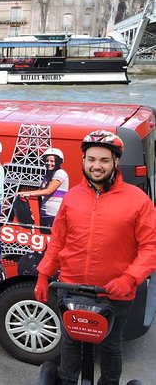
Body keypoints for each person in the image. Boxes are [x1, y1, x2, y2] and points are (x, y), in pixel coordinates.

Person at [34, 130, 156, 385]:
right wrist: (44, 275)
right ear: (83, 161)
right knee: (71, 341)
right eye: (91, 159)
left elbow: (150, 246)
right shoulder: (72, 197)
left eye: (103, 160)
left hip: (114, 291)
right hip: (70, 287)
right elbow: (57, 241)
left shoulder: (138, 201)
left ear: (115, 163)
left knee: (111, 345)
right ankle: (68, 381)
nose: (96, 166)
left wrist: (130, 278)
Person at [18, 147, 69, 233]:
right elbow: (40, 190)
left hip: (55, 213)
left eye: (52, 161)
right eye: (47, 161)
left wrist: (29, 194)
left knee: (51, 239)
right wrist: (24, 193)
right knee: (44, 238)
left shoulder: (60, 173)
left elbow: (48, 191)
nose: (49, 163)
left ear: (58, 162)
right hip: (45, 212)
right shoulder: (48, 175)